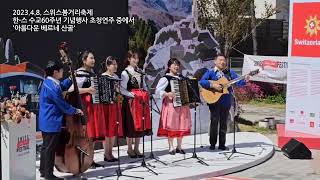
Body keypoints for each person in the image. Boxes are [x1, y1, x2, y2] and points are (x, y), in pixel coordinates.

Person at [39, 60, 83, 180]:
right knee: (50, 149)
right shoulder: (51, 86)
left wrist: (70, 78)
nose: (62, 71)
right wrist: (76, 110)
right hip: (51, 120)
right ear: (55, 72)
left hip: (47, 120)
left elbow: (61, 87)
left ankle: (43, 171)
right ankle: (49, 175)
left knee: (46, 147)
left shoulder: (50, 82)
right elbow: (62, 104)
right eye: (61, 70)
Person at [199, 54, 249, 151]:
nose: (223, 62)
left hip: (226, 101)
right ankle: (212, 144)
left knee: (224, 123)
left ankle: (222, 144)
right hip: (213, 101)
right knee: (214, 122)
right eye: (220, 60)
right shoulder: (211, 72)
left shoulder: (230, 73)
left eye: (224, 60)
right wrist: (212, 85)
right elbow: (202, 82)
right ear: (215, 61)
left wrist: (245, 80)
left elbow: (238, 83)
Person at [68, 50, 103, 168]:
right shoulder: (79, 73)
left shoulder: (92, 73)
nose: (93, 60)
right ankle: (83, 160)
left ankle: (90, 160)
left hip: (92, 106)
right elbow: (72, 89)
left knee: (91, 134)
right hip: (84, 106)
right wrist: (87, 90)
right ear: (84, 60)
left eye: (94, 58)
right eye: (91, 58)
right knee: (86, 134)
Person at [155, 58, 192, 155]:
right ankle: (171, 147)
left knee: (181, 125)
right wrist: (167, 94)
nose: (176, 67)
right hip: (171, 105)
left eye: (177, 65)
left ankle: (179, 146)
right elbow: (158, 91)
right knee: (171, 125)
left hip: (183, 106)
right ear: (169, 66)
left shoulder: (182, 78)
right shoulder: (165, 78)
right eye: (174, 65)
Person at [120, 51, 151, 158]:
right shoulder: (125, 73)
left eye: (137, 58)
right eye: (134, 58)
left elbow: (144, 85)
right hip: (131, 102)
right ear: (129, 59)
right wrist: (132, 94)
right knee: (131, 125)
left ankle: (137, 148)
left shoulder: (140, 71)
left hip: (141, 101)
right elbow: (121, 89)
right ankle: (129, 148)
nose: (136, 60)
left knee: (140, 124)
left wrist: (146, 92)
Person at [100, 56, 124, 162]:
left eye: (116, 64)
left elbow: (118, 91)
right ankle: (106, 153)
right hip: (105, 106)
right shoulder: (103, 76)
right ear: (107, 66)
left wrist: (119, 98)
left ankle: (110, 152)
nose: (115, 66)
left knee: (113, 129)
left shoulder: (116, 76)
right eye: (113, 64)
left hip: (115, 105)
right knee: (107, 130)